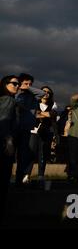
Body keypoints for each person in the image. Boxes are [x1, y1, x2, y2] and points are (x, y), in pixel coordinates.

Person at [14, 73, 46, 186]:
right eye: (26, 83)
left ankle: (19, 180)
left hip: (26, 128)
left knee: (23, 156)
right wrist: (18, 88)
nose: (28, 85)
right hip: (12, 128)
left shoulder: (32, 96)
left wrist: (27, 87)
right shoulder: (14, 93)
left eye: (30, 84)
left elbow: (42, 93)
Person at [27, 86, 58, 186]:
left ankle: (41, 175)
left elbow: (51, 115)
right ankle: (26, 175)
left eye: (48, 92)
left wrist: (39, 113)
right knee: (31, 153)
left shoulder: (53, 104)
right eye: (43, 91)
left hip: (46, 132)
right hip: (33, 131)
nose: (46, 93)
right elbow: (32, 115)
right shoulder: (33, 102)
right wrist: (43, 114)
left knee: (43, 154)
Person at [0, 75, 19, 219]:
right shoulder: (8, 100)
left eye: (18, 84)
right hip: (4, 143)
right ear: (4, 84)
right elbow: (4, 121)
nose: (17, 86)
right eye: (14, 83)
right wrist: (9, 141)